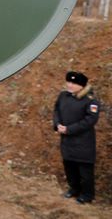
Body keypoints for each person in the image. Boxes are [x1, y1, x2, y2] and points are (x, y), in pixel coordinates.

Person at [53, 70, 100, 204]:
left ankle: (87, 195)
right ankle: (74, 189)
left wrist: (69, 129)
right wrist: (58, 125)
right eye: (69, 81)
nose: (70, 85)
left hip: (83, 143)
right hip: (67, 141)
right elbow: (56, 110)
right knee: (69, 167)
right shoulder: (63, 96)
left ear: (82, 86)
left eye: (74, 83)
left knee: (85, 172)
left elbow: (90, 120)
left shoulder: (91, 101)